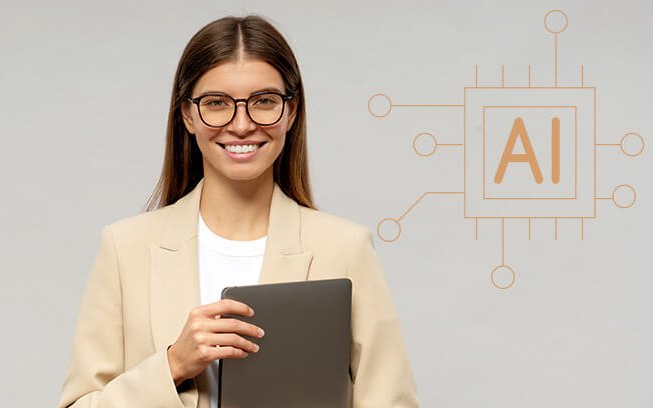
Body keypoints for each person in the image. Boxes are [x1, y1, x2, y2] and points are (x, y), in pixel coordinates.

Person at [57, 14, 419, 408]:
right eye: (217, 103)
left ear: (291, 111)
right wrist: (174, 364)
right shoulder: (125, 248)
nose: (242, 125)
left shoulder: (345, 249)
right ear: (187, 115)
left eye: (264, 102)